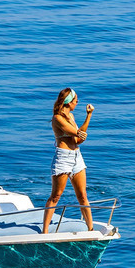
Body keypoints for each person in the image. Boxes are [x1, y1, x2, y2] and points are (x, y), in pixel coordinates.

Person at [43, 87, 107, 235]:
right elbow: (77, 133)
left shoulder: (71, 117)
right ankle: (44, 231)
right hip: (63, 158)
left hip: (77, 157)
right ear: (68, 102)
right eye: (75, 100)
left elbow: (78, 140)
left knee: (83, 196)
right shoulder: (57, 118)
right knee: (56, 196)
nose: (77, 102)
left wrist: (89, 116)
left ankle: (90, 229)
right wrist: (86, 120)